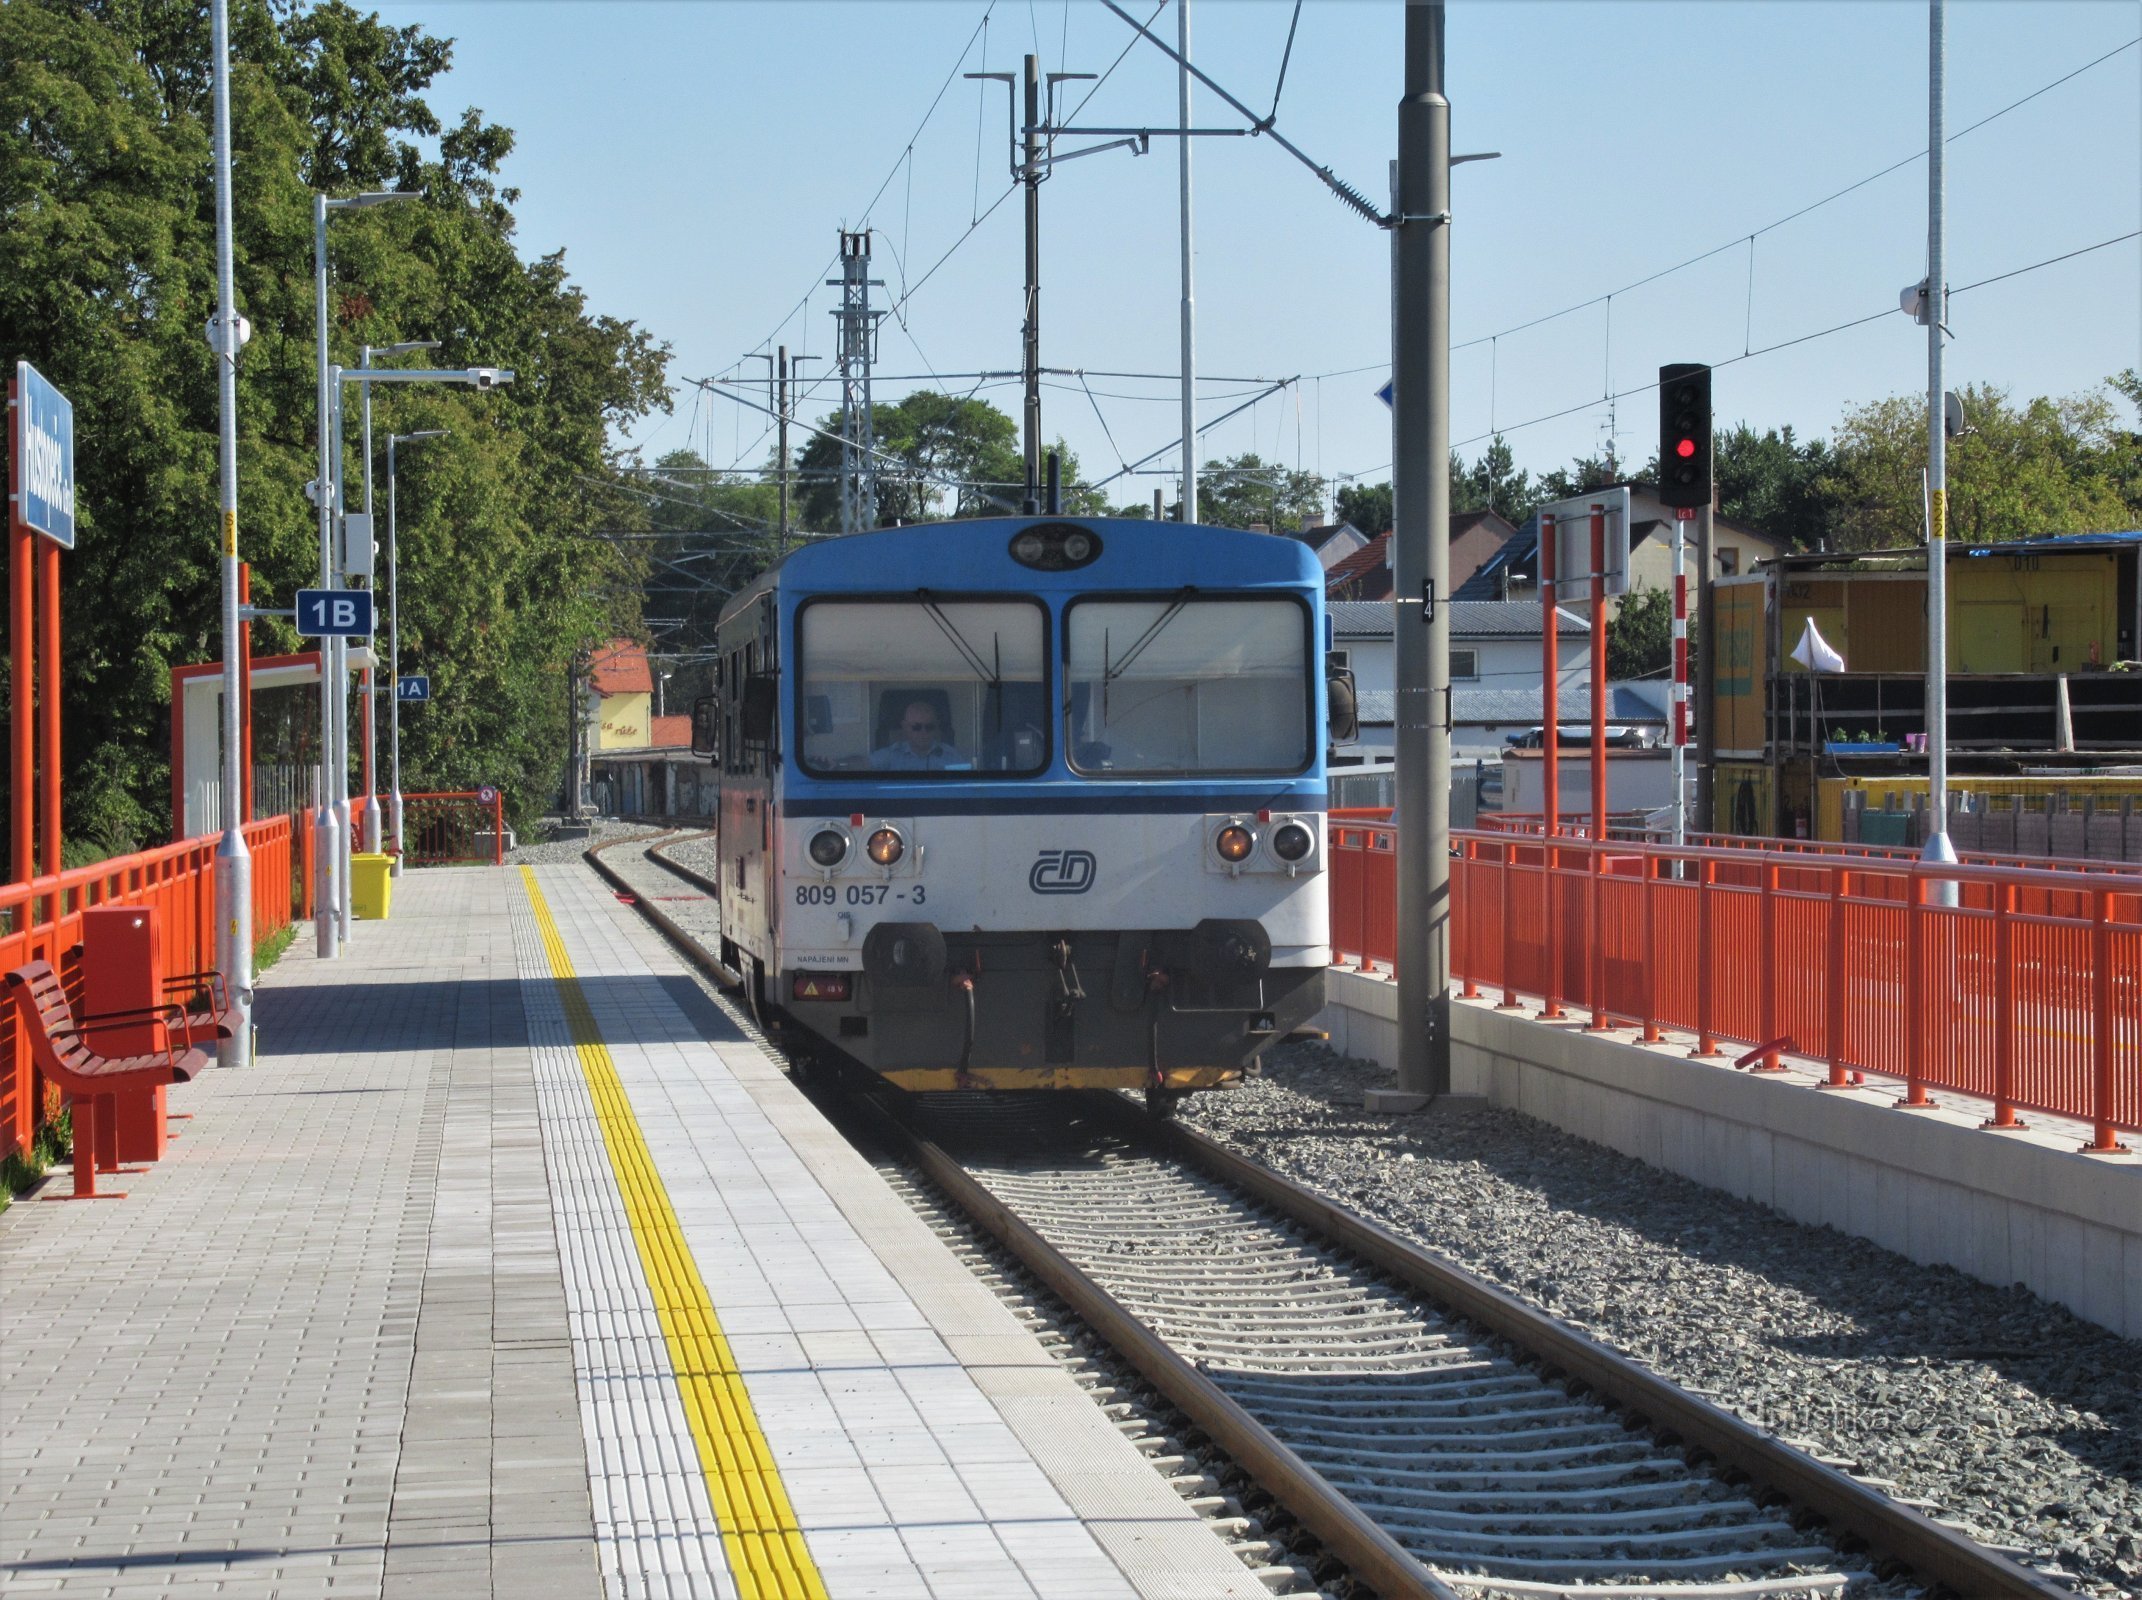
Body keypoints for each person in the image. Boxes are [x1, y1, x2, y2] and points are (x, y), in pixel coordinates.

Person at [871, 698, 967, 771]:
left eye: (929, 726)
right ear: (905, 727)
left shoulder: (951, 756)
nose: (923, 732)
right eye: (916, 727)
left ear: (936, 726)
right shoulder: (891, 755)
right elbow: (862, 765)